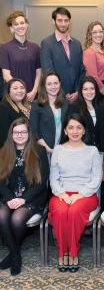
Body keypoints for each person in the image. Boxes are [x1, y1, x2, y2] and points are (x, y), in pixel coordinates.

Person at [49, 113, 102, 272]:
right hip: (62, 194)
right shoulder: (58, 150)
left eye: (79, 127)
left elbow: (96, 179)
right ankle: (62, 252)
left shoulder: (92, 151)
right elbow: (53, 178)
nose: (75, 131)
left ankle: (73, 252)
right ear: (65, 130)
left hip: (86, 195)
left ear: (84, 130)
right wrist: (61, 193)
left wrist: (81, 194)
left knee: (74, 211)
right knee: (60, 210)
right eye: (71, 127)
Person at [0, 117, 49, 276]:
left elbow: (42, 183)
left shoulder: (39, 151)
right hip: (9, 197)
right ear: (11, 134)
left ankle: (13, 255)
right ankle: (15, 254)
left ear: (29, 133)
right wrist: (9, 198)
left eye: (23, 132)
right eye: (16, 132)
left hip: (32, 197)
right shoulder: (4, 152)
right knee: (1, 215)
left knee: (17, 219)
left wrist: (23, 199)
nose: (19, 135)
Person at [40, 7, 85, 102]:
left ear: (70, 22)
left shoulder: (77, 44)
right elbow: (48, 72)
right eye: (60, 20)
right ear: (54, 21)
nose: (63, 24)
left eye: (66, 20)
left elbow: (81, 70)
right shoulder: (46, 43)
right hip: (56, 97)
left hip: (76, 97)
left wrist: (77, 91)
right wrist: (62, 93)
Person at [0, 10, 41, 101]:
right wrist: (20, 92)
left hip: (33, 95)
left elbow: (38, 72)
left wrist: (34, 91)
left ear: (27, 25)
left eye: (22, 23)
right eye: (16, 24)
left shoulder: (35, 47)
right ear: (11, 28)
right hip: (14, 96)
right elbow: (6, 75)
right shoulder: (5, 48)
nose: (20, 26)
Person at [30, 72, 69, 155]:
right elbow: (34, 131)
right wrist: (46, 148)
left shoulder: (65, 103)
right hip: (43, 150)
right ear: (44, 86)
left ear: (60, 84)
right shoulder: (36, 105)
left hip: (62, 150)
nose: (53, 87)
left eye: (56, 83)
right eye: (49, 84)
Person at [67, 76, 104, 148]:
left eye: (92, 89)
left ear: (96, 90)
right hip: (81, 150)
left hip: (100, 150)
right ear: (81, 91)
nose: (89, 92)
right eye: (85, 89)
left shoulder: (101, 106)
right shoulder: (74, 108)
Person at [83, 21, 104, 97]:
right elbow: (93, 76)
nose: (98, 35)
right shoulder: (89, 52)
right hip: (99, 90)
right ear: (90, 35)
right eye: (94, 32)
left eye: (100, 32)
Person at [0, 79, 31, 148]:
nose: (19, 91)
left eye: (22, 88)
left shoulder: (30, 106)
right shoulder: (3, 107)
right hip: (14, 150)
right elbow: (3, 135)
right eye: (15, 88)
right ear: (8, 92)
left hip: (31, 148)